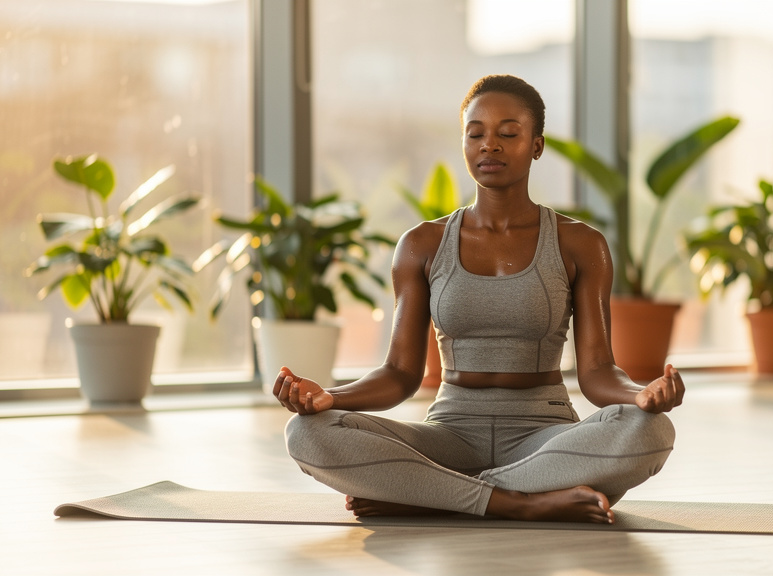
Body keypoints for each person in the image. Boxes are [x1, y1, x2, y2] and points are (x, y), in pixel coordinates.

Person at [275, 74, 684, 525]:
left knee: (651, 431)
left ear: (536, 145)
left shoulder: (580, 243)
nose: (490, 145)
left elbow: (597, 372)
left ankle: (426, 494)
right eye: (476, 134)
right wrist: (328, 399)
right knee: (307, 433)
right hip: (449, 436)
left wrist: (641, 395)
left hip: (545, 439)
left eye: (508, 134)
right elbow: (399, 374)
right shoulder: (421, 244)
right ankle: (519, 502)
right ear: (465, 144)